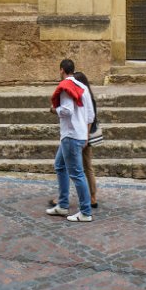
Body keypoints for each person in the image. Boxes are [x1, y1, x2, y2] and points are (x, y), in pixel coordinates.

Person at [46, 58, 95, 223]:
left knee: (77, 174)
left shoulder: (66, 86)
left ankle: (86, 212)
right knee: (60, 165)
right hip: (78, 135)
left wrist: (54, 109)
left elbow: (67, 110)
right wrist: (85, 135)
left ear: (62, 70)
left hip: (70, 135)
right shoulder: (83, 87)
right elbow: (90, 115)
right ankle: (62, 204)